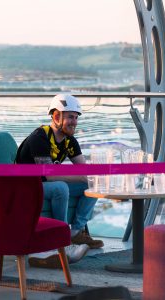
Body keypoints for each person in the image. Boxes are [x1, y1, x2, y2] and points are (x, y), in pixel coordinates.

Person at [15, 94, 104, 267]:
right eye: (70, 116)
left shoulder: (70, 141)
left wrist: (92, 177)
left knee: (92, 182)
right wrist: (82, 175)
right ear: (56, 116)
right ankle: (61, 241)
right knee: (60, 187)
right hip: (25, 187)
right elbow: (50, 175)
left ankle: (76, 231)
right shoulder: (39, 138)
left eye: (76, 117)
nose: (75, 121)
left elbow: (83, 170)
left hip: (44, 185)